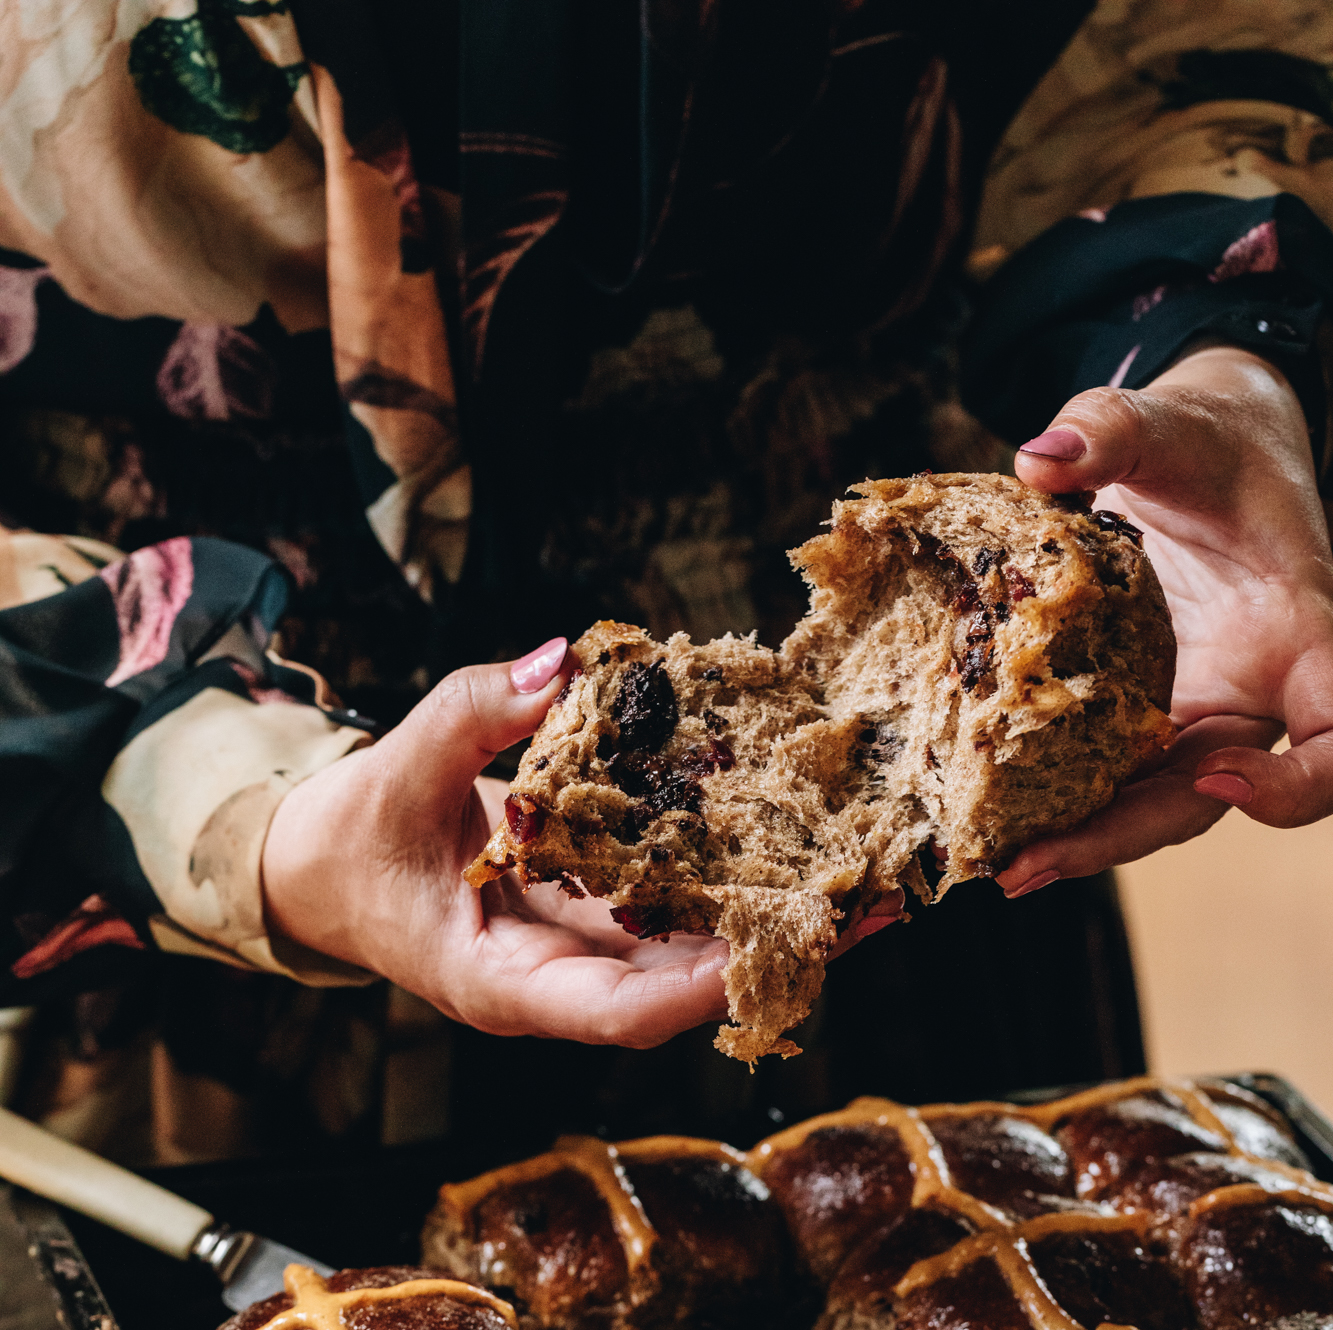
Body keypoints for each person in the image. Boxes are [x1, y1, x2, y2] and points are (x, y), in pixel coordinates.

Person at [1, 1, 1331, 1160]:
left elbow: (1188, 48)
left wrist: (1222, 359)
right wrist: (245, 819)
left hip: (924, 869)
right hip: (159, 926)